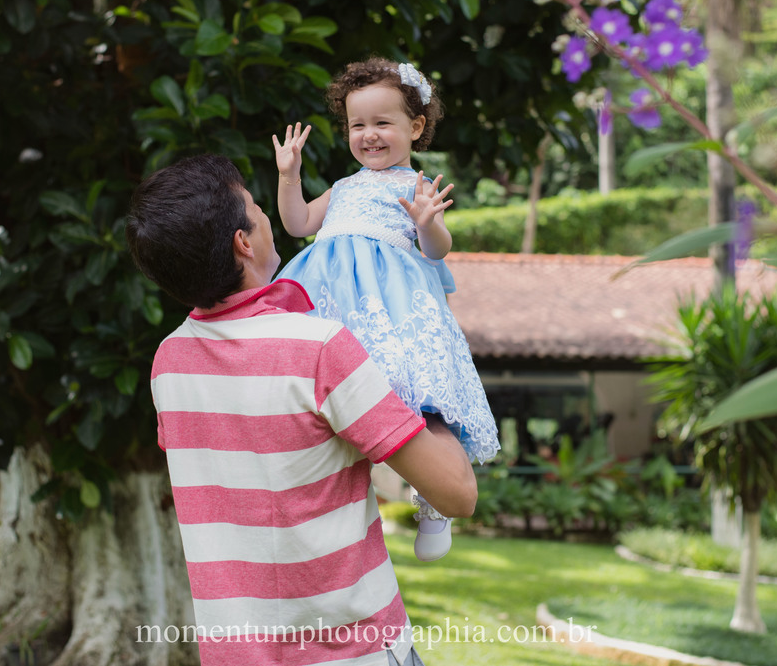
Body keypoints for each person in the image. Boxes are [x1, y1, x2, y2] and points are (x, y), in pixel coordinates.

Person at [126, 153, 477, 666]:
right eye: (255, 206)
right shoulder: (317, 349)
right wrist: (431, 362)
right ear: (243, 242)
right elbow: (457, 493)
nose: (267, 214)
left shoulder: (170, 362)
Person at [273, 58, 500, 562]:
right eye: (358, 125)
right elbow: (297, 223)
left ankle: (434, 502)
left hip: (386, 302)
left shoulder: (414, 187)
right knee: (317, 395)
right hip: (327, 296)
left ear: (415, 128)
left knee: (414, 393)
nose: (369, 136)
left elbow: (438, 251)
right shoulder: (346, 186)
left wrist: (426, 223)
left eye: (383, 123)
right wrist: (290, 176)